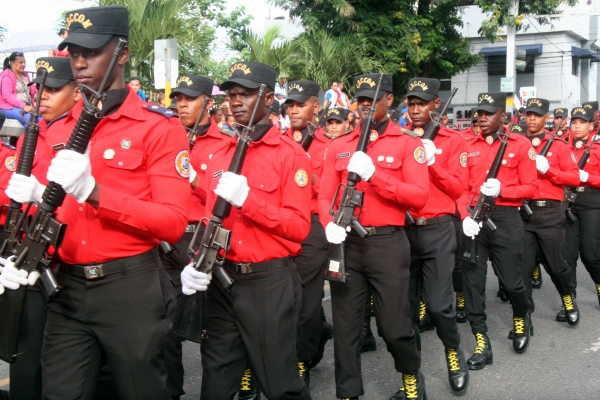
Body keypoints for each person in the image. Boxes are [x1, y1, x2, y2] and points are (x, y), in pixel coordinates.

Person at [1, 6, 190, 399]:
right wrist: (22, 247)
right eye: (73, 53)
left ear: (121, 52)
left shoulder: (157, 126)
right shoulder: (60, 128)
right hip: (67, 290)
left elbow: (172, 222)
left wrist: (95, 192)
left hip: (130, 288)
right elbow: (47, 212)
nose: (81, 62)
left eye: (92, 51)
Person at [182, 61, 312, 400]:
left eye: (246, 94)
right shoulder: (216, 151)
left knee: (279, 383)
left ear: (269, 99)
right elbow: (208, 216)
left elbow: (299, 227)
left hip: (267, 284)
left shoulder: (290, 156)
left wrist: (249, 201)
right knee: (215, 382)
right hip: (221, 280)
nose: (235, 101)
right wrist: (194, 262)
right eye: (231, 95)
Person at [319, 73, 429, 400]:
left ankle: (411, 377)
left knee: (395, 329)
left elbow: (419, 196)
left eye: (373, 98)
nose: (365, 104)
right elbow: (324, 196)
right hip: (347, 245)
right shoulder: (339, 145)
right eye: (361, 98)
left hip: (387, 244)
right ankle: (348, 393)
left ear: (389, 100)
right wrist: (328, 222)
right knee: (346, 330)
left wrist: (376, 175)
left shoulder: (408, 143)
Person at [0, 56, 81, 399]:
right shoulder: (30, 137)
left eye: (52, 89)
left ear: (77, 93)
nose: (42, 96)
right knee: (25, 354)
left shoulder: (81, 135)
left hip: (67, 257)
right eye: (38, 89)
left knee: (64, 364)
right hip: (29, 252)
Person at [458, 92, 537, 368]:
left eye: (488, 113)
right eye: (479, 112)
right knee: (473, 285)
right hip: (474, 220)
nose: (481, 117)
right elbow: (461, 188)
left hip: (505, 218)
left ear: (503, 116)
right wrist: (463, 215)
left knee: (513, 282)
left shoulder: (520, 144)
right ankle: (481, 340)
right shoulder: (466, 144)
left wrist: (505, 189)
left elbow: (531, 187)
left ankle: (521, 317)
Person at [404, 77, 469, 395]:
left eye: (422, 103)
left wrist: (433, 164)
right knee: (405, 311)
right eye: (411, 103)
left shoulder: (454, 141)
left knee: (441, 306)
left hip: (439, 230)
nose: (415, 109)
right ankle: (412, 375)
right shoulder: (399, 139)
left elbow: (459, 189)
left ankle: (453, 354)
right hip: (403, 231)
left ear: (435, 106)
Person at [285, 80, 334, 384]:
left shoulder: (330, 146)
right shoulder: (277, 141)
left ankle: (302, 361)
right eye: (289, 104)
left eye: (299, 104)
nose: (292, 110)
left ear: (316, 107)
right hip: (281, 227)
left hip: (312, 228)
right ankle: (319, 328)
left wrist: (304, 169)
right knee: (286, 300)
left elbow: (329, 192)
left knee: (305, 304)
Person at [519, 98, 580, 328]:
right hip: (522, 213)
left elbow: (574, 178)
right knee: (523, 268)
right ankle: (524, 315)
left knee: (556, 265)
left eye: (537, 114)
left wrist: (549, 170)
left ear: (547, 118)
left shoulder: (560, 146)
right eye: (528, 114)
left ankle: (568, 298)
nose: (532, 118)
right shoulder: (516, 144)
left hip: (550, 213)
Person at [563, 106, 600, 317]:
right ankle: (569, 300)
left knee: (590, 252)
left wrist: (588, 178)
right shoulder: (562, 146)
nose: (577, 126)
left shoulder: (597, 146)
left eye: (582, 122)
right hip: (568, 199)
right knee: (567, 255)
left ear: (591, 125)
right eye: (574, 122)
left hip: (591, 200)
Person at [0, 52, 38, 127]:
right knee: (30, 121)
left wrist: (35, 82)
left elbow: (32, 93)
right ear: (12, 63)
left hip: (27, 105)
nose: (24, 65)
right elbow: (6, 95)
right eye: (21, 62)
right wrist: (24, 106)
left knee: (42, 120)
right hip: (9, 107)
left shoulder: (25, 75)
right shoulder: (6, 76)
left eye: (24, 62)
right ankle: (25, 139)